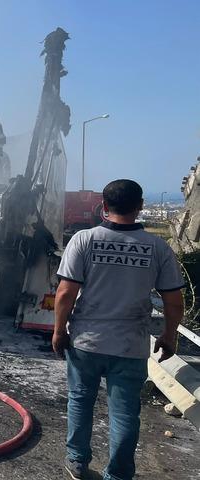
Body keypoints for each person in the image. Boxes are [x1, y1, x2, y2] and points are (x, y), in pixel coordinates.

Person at [53, 179, 184, 480]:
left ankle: (77, 461)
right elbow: (174, 302)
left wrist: (60, 330)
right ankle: (119, 474)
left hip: (86, 341)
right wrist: (169, 335)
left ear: (104, 206)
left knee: (81, 400)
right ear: (140, 207)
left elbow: (65, 293)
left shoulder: (84, 240)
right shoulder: (157, 247)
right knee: (125, 412)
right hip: (130, 345)